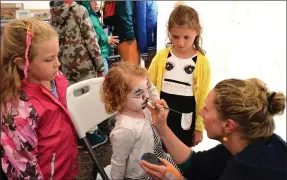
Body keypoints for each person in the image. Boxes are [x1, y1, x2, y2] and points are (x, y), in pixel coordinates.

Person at [141, 78, 287, 180]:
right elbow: (196, 165)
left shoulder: (247, 168)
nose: (200, 112)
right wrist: (162, 127)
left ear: (228, 125)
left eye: (207, 109)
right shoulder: (242, 142)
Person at [1, 18, 79, 179]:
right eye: (49, 59)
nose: (58, 63)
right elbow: (25, 166)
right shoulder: (19, 110)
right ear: (22, 63)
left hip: (66, 166)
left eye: (58, 55)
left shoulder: (57, 78)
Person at [100, 62, 177, 179]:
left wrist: (149, 86)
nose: (146, 96)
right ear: (120, 98)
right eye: (139, 93)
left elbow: (155, 99)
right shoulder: (125, 130)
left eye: (146, 90)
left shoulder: (144, 108)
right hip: (140, 175)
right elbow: (118, 163)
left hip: (156, 159)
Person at [148, 5, 210, 147]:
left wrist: (199, 127)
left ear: (197, 31)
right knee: (159, 147)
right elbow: (148, 82)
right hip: (162, 112)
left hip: (186, 114)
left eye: (186, 37)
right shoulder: (162, 56)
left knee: (181, 151)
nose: (180, 43)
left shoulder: (202, 62)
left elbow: (203, 97)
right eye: (175, 36)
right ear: (169, 31)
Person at [50, 0, 108, 149]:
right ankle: (91, 135)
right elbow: (91, 40)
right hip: (84, 63)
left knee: (73, 99)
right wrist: (100, 65)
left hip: (66, 65)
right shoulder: (79, 10)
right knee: (89, 98)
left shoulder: (54, 12)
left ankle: (79, 134)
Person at [78, 1, 119, 76]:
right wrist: (106, 39)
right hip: (98, 57)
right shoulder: (87, 14)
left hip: (100, 55)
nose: (96, 3)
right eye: (93, 0)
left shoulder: (92, 14)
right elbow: (90, 38)